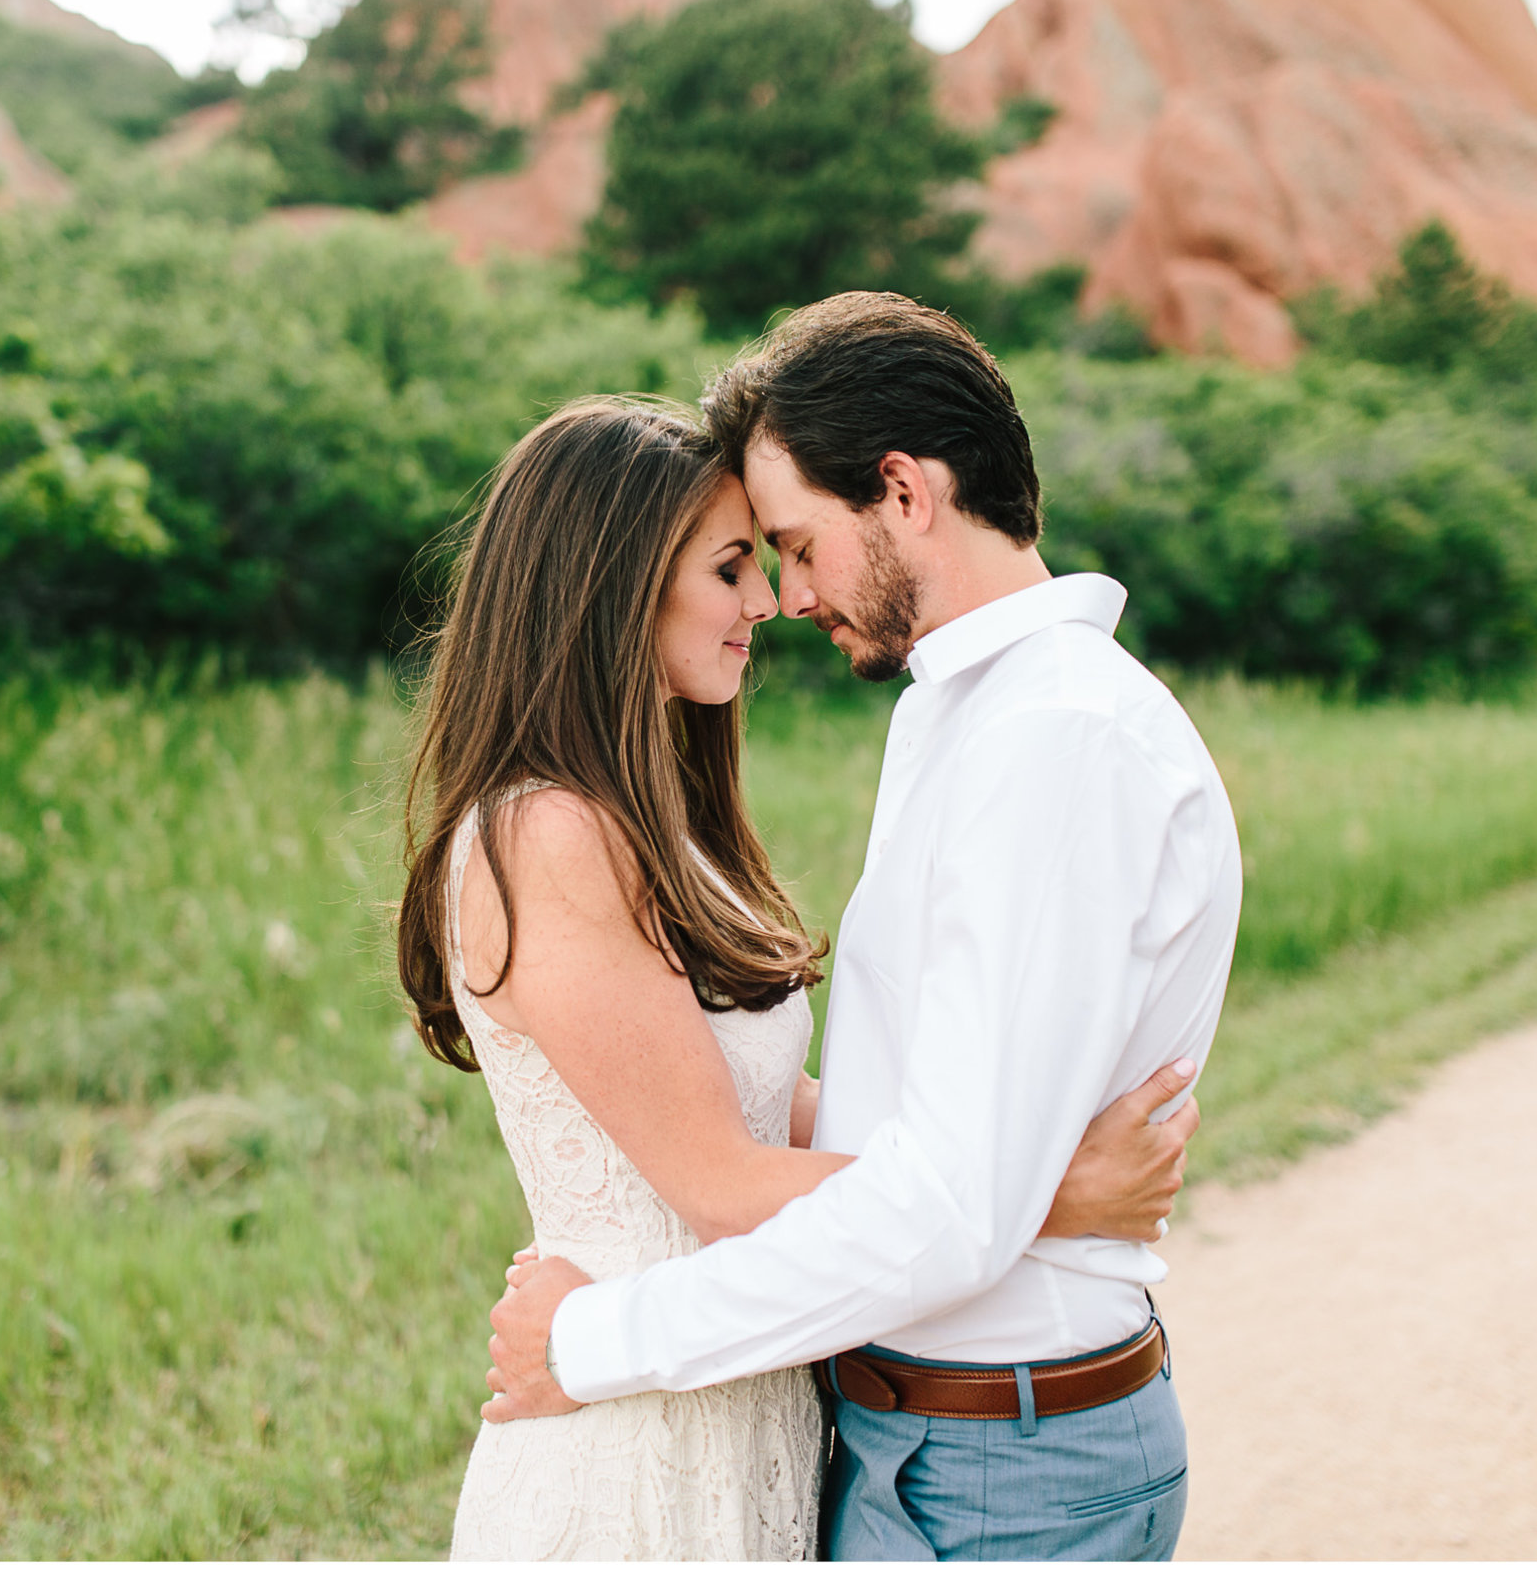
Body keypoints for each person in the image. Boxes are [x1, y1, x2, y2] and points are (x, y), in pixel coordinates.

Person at [486, 298, 1243, 1563]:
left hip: (1004, 1470)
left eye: (791, 542)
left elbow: (949, 1205)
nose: (785, 594)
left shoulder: (1056, 740)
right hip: (916, 1446)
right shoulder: (957, 716)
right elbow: (935, 1144)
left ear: (900, 490)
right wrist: (1044, 1193)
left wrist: (589, 1340)